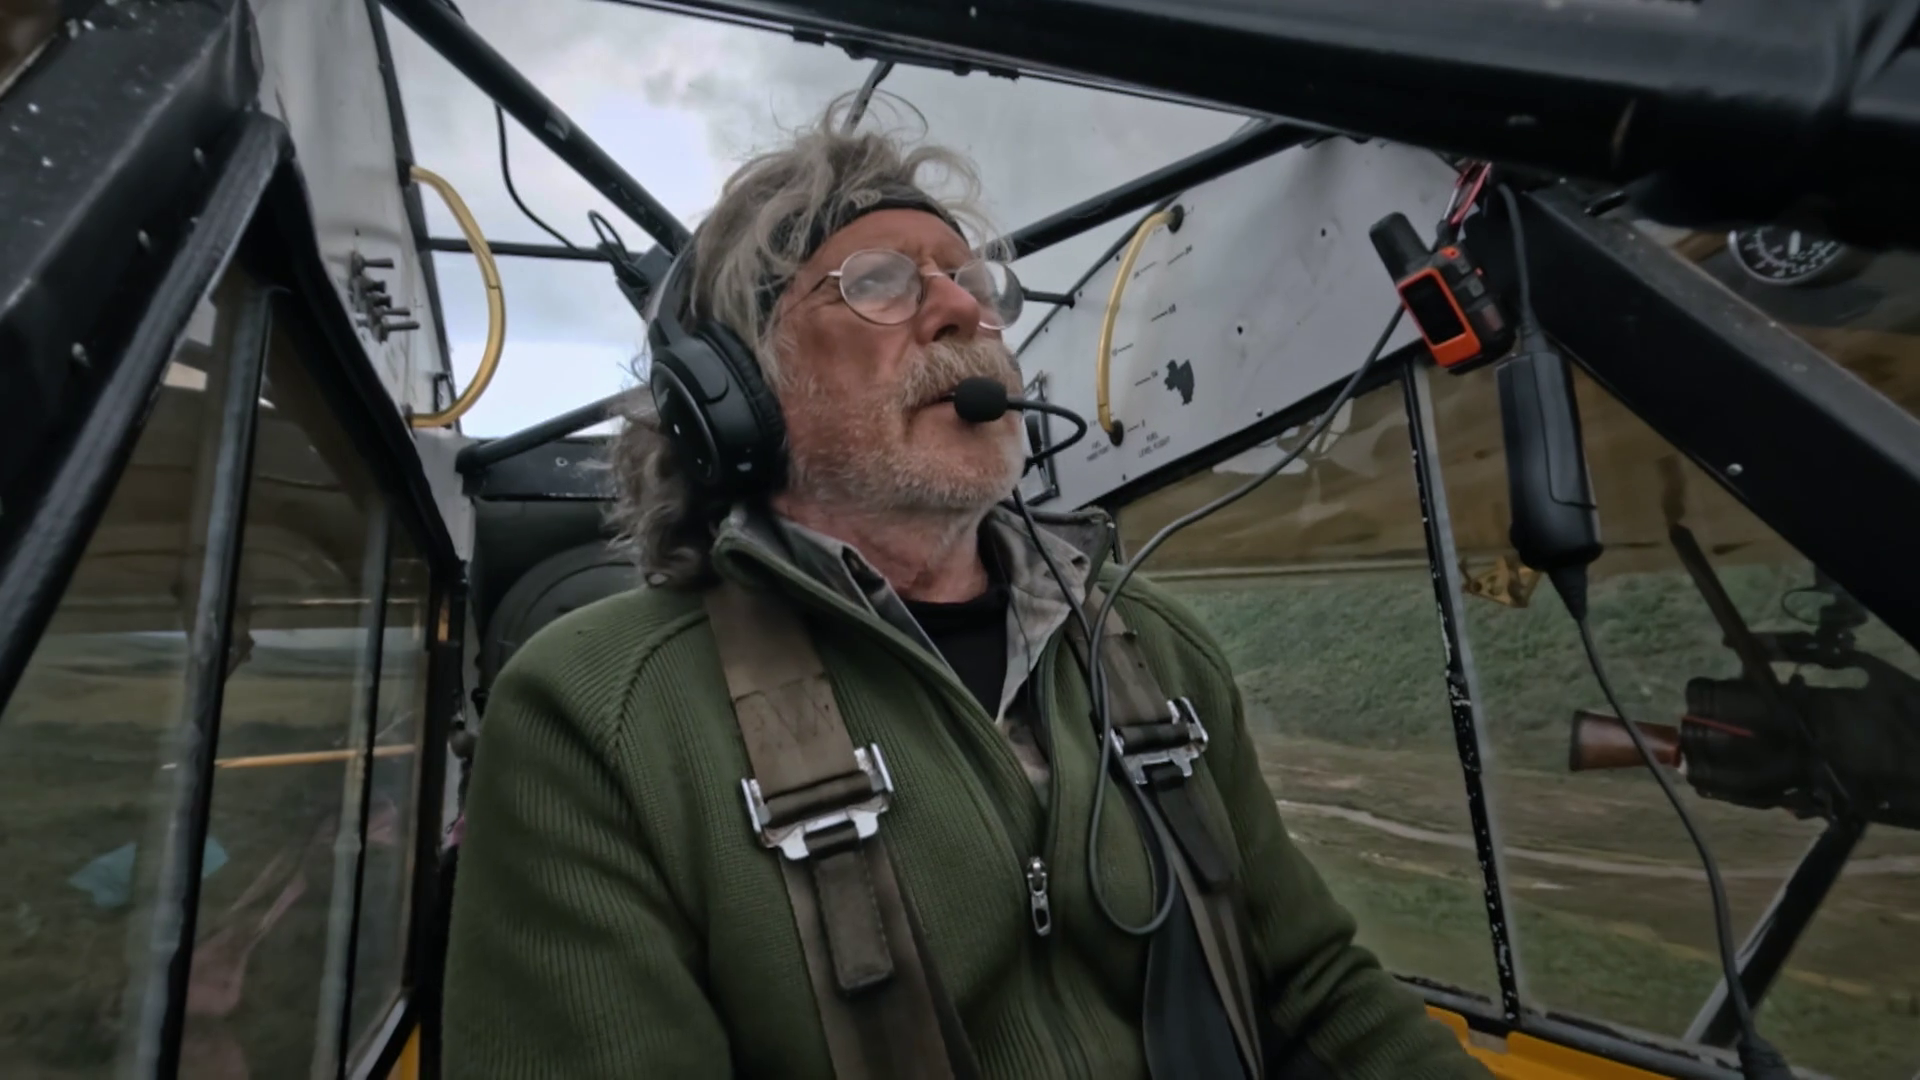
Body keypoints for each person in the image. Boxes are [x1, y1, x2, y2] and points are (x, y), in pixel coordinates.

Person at [442, 92, 1492, 1080]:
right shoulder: (597, 712)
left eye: (972, 284)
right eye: (881, 283)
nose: (961, 310)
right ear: (735, 394)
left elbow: (1311, 990)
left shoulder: (1152, 646)